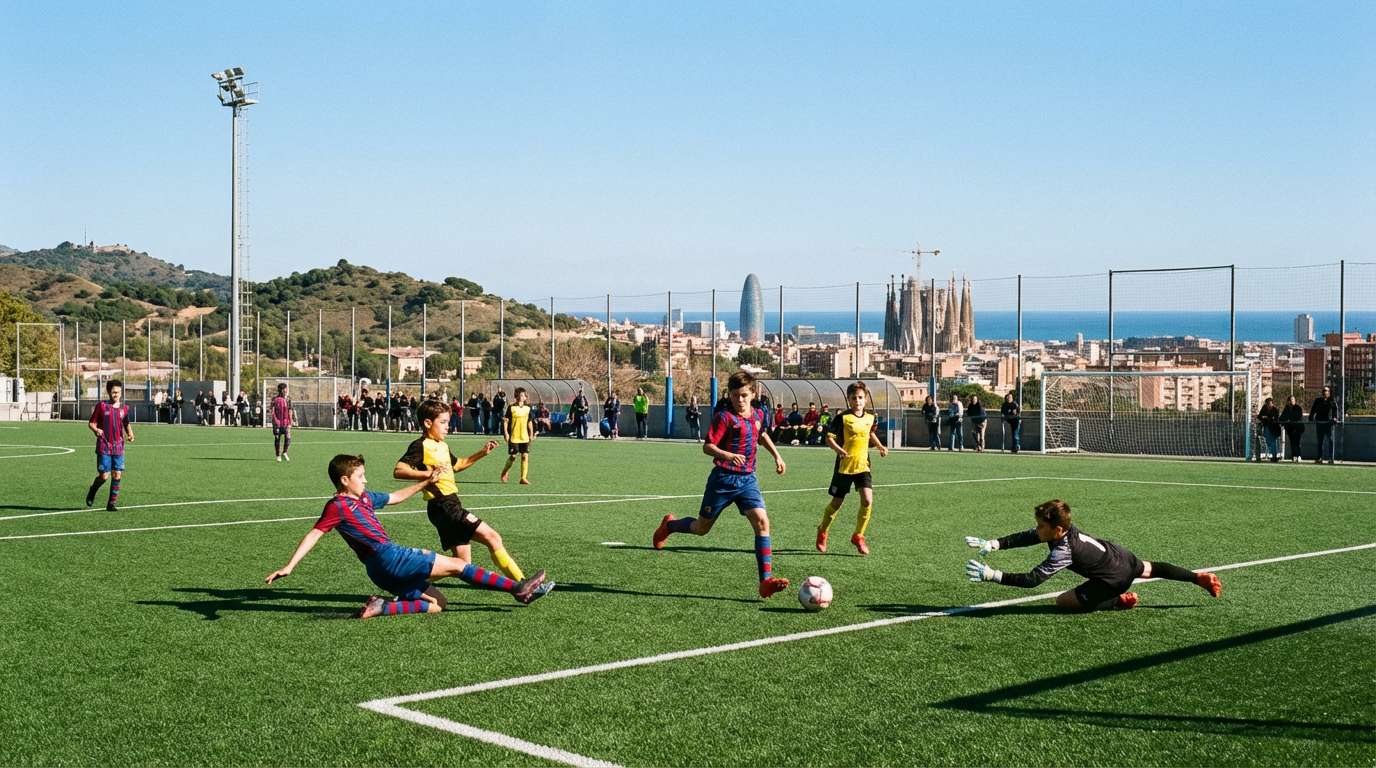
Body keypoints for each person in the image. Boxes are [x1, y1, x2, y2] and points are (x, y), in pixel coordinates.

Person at [266, 454, 551, 619]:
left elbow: (395, 497)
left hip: (378, 573)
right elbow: (314, 534)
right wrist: (289, 566)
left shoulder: (364, 497)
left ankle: (383, 607)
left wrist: (425, 482)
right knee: (458, 566)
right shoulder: (337, 505)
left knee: (438, 604)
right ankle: (517, 588)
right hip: (389, 557)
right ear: (345, 480)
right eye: (361, 476)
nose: (365, 480)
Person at [652, 370, 790, 598]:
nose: (740, 400)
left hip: (748, 480)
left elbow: (761, 434)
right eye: (735, 395)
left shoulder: (758, 414)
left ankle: (765, 581)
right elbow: (707, 446)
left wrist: (777, 456)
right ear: (730, 395)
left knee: (762, 522)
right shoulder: (724, 417)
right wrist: (728, 455)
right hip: (723, 480)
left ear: (753, 394)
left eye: (744, 395)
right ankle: (669, 526)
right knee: (701, 528)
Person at [393, 401, 551, 591]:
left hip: (445, 506)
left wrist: (482, 453)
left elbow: (457, 465)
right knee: (493, 537)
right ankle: (523, 585)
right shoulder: (420, 446)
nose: (447, 426)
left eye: (448, 422)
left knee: (461, 565)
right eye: (443, 422)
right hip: (444, 505)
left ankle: (407, 582)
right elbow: (399, 470)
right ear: (428, 423)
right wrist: (428, 474)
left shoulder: (442, 445)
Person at [964, 499, 1222, 612]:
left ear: (1058, 530)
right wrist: (994, 544)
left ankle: (1116, 601)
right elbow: (1029, 536)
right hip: (1123, 556)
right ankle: (1197, 577)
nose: (1037, 529)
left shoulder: (1063, 551)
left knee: (1063, 602)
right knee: (1150, 568)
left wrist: (994, 575)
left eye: (1041, 525)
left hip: (1114, 579)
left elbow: (1033, 580)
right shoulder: (1064, 529)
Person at [816, 381, 888, 556]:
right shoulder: (842, 418)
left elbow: (870, 433)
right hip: (844, 467)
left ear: (866, 399)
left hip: (863, 465)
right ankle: (822, 530)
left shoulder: (870, 418)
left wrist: (880, 446)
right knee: (837, 503)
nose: (858, 401)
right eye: (854, 398)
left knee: (867, 501)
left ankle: (858, 536)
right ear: (849, 399)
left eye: (860, 398)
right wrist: (839, 450)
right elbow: (829, 438)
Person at [86, 379, 133, 511]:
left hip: (118, 446)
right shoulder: (101, 406)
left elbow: (126, 423)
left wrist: (130, 433)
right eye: (113, 392)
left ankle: (111, 504)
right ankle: (93, 490)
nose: (116, 394)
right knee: (104, 476)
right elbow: (91, 423)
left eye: (118, 392)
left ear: (121, 392)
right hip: (104, 445)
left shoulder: (124, 409)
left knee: (117, 474)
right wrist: (96, 430)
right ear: (108, 392)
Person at [501, 387, 535, 485]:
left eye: (524, 395)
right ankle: (505, 471)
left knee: (524, 456)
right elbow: (506, 421)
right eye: (521, 395)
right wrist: (506, 433)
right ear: (517, 397)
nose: (522, 397)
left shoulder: (528, 408)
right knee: (513, 457)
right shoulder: (511, 408)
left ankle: (523, 478)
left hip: (524, 436)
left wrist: (531, 434)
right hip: (514, 436)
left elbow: (529, 422)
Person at [1310, 386, 1337, 464]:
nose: (1325, 393)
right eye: (1324, 391)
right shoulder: (1318, 401)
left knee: (1330, 441)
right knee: (1320, 441)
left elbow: (1335, 412)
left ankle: (1331, 458)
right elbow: (1313, 411)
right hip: (1320, 423)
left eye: (1327, 391)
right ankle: (1319, 457)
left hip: (1328, 424)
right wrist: (1311, 418)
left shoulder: (1332, 401)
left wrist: (1334, 418)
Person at [271, 382, 294, 462]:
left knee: (288, 436)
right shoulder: (275, 399)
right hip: (277, 421)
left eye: (285, 389)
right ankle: (278, 455)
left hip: (286, 421)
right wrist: (274, 419)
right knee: (277, 437)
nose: (285, 391)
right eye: (283, 389)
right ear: (280, 390)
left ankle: (284, 453)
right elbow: (272, 410)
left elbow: (290, 409)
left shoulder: (288, 399)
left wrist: (291, 419)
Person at [1280, 394, 1305, 462]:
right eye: (1291, 400)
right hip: (1290, 429)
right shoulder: (1287, 408)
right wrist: (1285, 423)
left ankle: (1299, 455)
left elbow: (1298, 417)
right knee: (1292, 442)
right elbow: (1282, 418)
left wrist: (1290, 420)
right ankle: (1294, 456)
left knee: (1297, 442)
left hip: (1298, 428)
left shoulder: (1298, 408)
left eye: (1293, 399)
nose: (1292, 401)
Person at [1257, 396, 1282, 462]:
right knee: (1268, 441)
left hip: (1274, 428)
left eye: (1269, 403)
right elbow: (1259, 416)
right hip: (1267, 427)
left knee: (1273, 441)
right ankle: (1272, 453)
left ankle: (1274, 455)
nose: (1268, 405)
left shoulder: (1275, 410)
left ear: (1272, 403)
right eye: (1267, 404)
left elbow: (1274, 418)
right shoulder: (1264, 408)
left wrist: (1266, 417)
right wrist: (1264, 418)